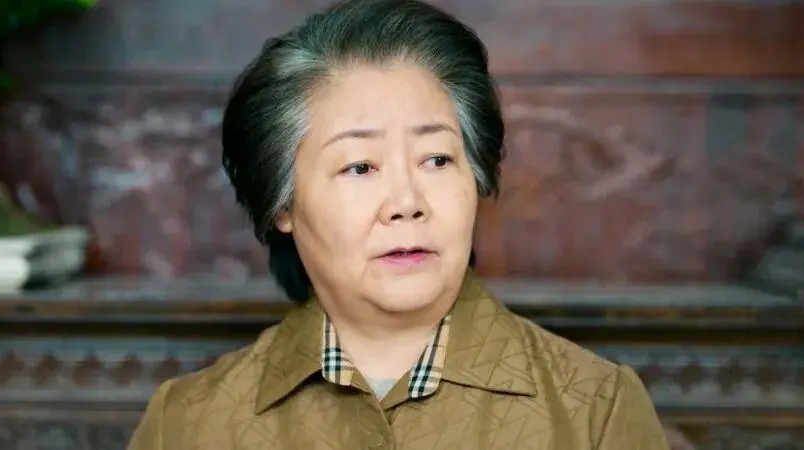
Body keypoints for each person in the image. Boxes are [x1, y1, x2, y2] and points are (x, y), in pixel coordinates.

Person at [127, 0, 669, 448]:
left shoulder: (594, 411)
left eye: (437, 159)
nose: (407, 202)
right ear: (283, 204)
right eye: (360, 167)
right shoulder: (189, 424)